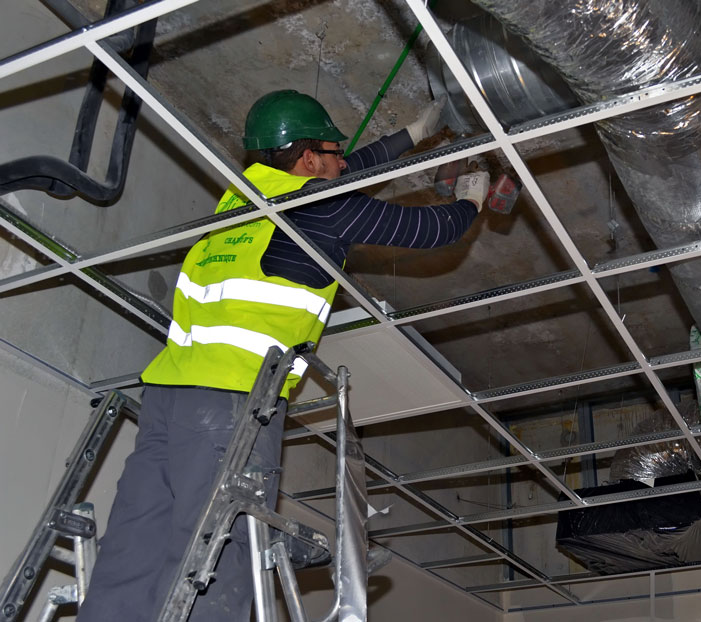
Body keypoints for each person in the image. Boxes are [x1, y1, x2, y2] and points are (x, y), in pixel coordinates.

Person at [77, 89, 488, 621]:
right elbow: (427, 229)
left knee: (135, 546)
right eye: (332, 152)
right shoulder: (323, 206)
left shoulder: (243, 195)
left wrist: (411, 134)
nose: (344, 161)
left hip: (167, 399)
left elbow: (344, 170)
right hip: (232, 404)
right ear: (308, 158)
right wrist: (472, 202)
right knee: (216, 558)